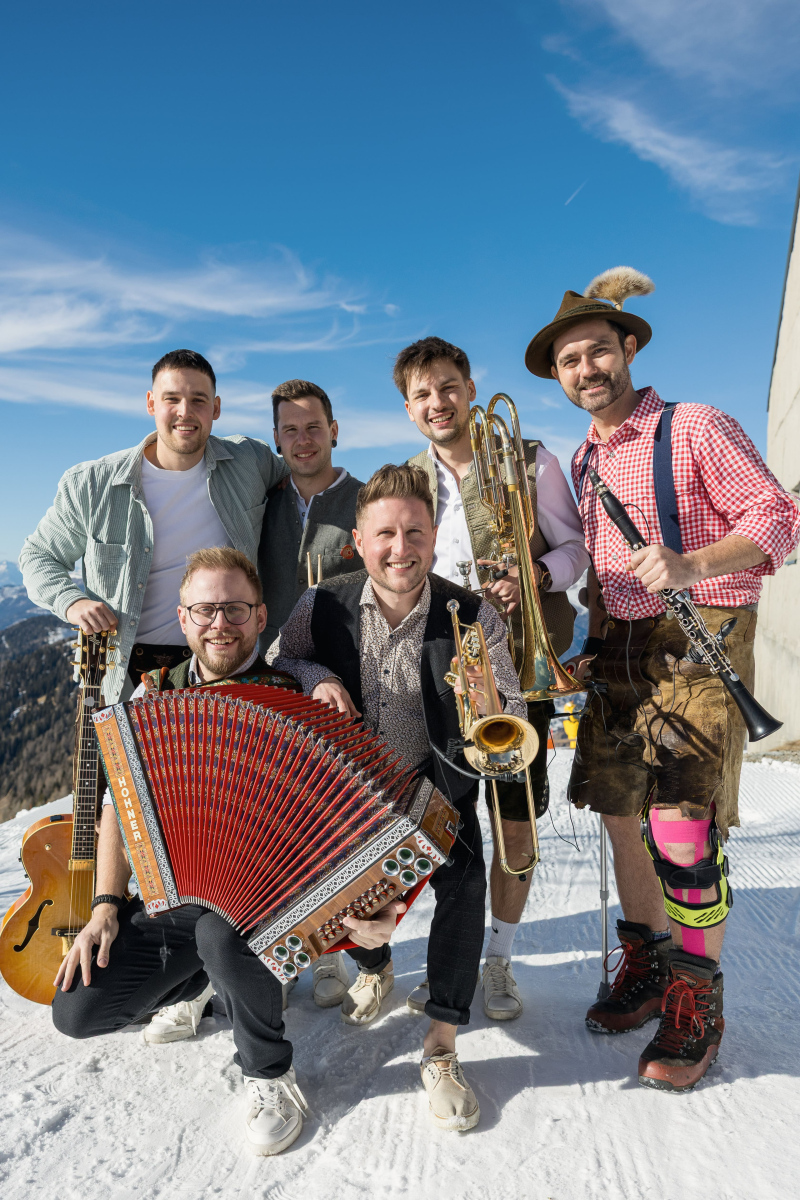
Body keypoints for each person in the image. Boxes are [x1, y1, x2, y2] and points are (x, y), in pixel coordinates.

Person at [525, 266, 800, 1091]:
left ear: (629, 348)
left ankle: (696, 997)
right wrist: (585, 644)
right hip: (619, 644)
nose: (586, 370)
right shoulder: (583, 459)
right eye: (570, 361)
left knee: (681, 826)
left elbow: (779, 518)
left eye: (597, 351)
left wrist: (692, 562)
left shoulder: (696, 427)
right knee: (618, 812)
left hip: (700, 639)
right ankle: (645, 965)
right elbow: (602, 569)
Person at [52, 547, 395, 1157]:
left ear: (261, 616)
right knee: (77, 1012)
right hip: (178, 895)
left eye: (235, 609)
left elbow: (353, 819)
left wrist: (364, 908)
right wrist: (105, 904)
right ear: (182, 619)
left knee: (220, 933)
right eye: (205, 610)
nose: (220, 624)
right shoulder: (151, 698)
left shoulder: (296, 697)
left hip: (272, 903)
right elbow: (118, 811)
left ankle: (269, 1074)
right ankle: (211, 985)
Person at [272, 463, 528, 1130]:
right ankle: (376, 965)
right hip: (347, 795)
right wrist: (316, 675)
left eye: (415, 532)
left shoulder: (472, 613)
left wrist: (489, 705)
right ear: (358, 540)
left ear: (434, 537)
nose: (400, 548)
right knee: (348, 901)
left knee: (466, 886)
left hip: (436, 787)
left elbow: (511, 705)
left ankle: (441, 1045)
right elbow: (280, 662)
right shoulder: (320, 603)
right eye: (385, 533)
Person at [396, 336, 589, 1020]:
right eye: (421, 394)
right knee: (444, 828)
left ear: (471, 390)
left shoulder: (530, 460)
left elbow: (576, 550)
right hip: (441, 673)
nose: (437, 402)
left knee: (514, 827)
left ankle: (499, 961)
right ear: (409, 409)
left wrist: (535, 575)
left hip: (519, 667)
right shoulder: (406, 482)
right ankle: (452, 958)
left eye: (448, 386)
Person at [19, 349, 287, 702]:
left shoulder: (250, 462)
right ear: (151, 403)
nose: (185, 411)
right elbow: (38, 556)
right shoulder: (93, 485)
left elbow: (304, 480)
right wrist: (72, 601)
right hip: (126, 676)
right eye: (172, 398)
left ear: (216, 408)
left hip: (223, 667)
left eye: (198, 400)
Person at [256, 378, 364, 1011]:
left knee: (331, 823)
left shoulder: (363, 498)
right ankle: (275, 947)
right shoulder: (261, 501)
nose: (303, 440)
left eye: (313, 427)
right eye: (290, 430)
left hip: (340, 685)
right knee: (274, 823)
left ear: (334, 430)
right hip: (268, 678)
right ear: (276, 438)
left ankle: (328, 950)